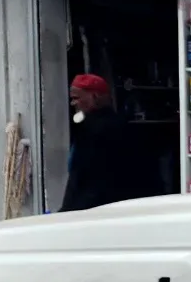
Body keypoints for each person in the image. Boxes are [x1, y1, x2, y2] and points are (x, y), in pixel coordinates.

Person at [60, 73, 148, 212]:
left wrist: (68, 210)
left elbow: (85, 176)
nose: (73, 103)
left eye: (76, 98)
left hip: (95, 206)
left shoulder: (93, 129)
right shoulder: (119, 124)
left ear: (94, 97)